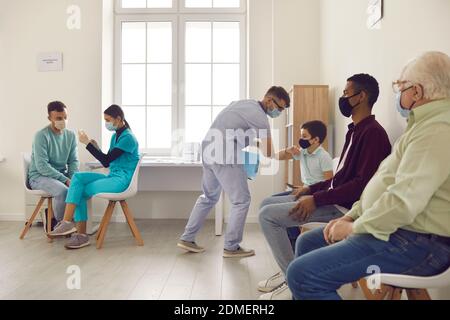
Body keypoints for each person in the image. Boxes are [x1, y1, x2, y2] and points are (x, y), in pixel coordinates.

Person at [286, 51, 450, 300]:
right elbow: (382, 184)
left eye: (400, 86)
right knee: (306, 243)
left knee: (302, 274)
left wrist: (354, 227)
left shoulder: (436, 131)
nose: (397, 94)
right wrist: (352, 215)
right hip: (398, 229)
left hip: (419, 242)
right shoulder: (418, 127)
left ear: (416, 92)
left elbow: (402, 202)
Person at [258, 74, 391, 300]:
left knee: (268, 216)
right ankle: (292, 277)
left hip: (344, 208)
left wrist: (317, 198)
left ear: (361, 97)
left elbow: (359, 186)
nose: (343, 98)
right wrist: (311, 190)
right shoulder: (355, 131)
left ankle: (292, 279)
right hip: (333, 199)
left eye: (346, 93)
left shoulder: (373, 134)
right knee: (267, 207)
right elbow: (339, 178)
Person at [178, 86, 290, 258]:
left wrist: (261, 148)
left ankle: (187, 237)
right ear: (269, 100)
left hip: (208, 151)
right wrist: (286, 154)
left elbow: (243, 136)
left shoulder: (243, 104)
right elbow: (269, 153)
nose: (279, 112)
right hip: (225, 155)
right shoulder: (260, 117)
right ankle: (231, 247)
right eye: (280, 108)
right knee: (241, 200)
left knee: (208, 197)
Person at [48, 105, 139, 249]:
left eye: (108, 120)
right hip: (113, 176)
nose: (106, 123)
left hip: (121, 181)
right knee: (77, 178)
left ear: (118, 119)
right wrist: (95, 147)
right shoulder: (116, 136)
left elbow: (105, 161)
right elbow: (108, 160)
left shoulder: (128, 137)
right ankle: (68, 224)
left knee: (79, 190)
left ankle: (78, 233)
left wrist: (87, 144)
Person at [269, 121, 334, 250]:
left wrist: (310, 194)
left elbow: (329, 184)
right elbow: (276, 156)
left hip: (314, 195)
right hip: (303, 190)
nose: (301, 139)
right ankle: (292, 248)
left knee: (285, 215)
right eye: (301, 136)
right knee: (270, 201)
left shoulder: (324, 157)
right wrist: (288, 150)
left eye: (304, 136)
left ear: (316, 140)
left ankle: (294, 251)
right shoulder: (303, 152)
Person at [28, 101, 79, 230]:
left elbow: (73, 161)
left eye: (65, 117)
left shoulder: (71, 135)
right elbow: (42, 166)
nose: (63, 121)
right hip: (39, 176)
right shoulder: (41, 135)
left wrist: (72, 178)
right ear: (49, 118)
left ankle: (66, 221)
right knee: (63, 191)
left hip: (59, 175)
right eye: (59, 118)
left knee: (79, 186)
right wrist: (65, 180)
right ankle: (61, 224)